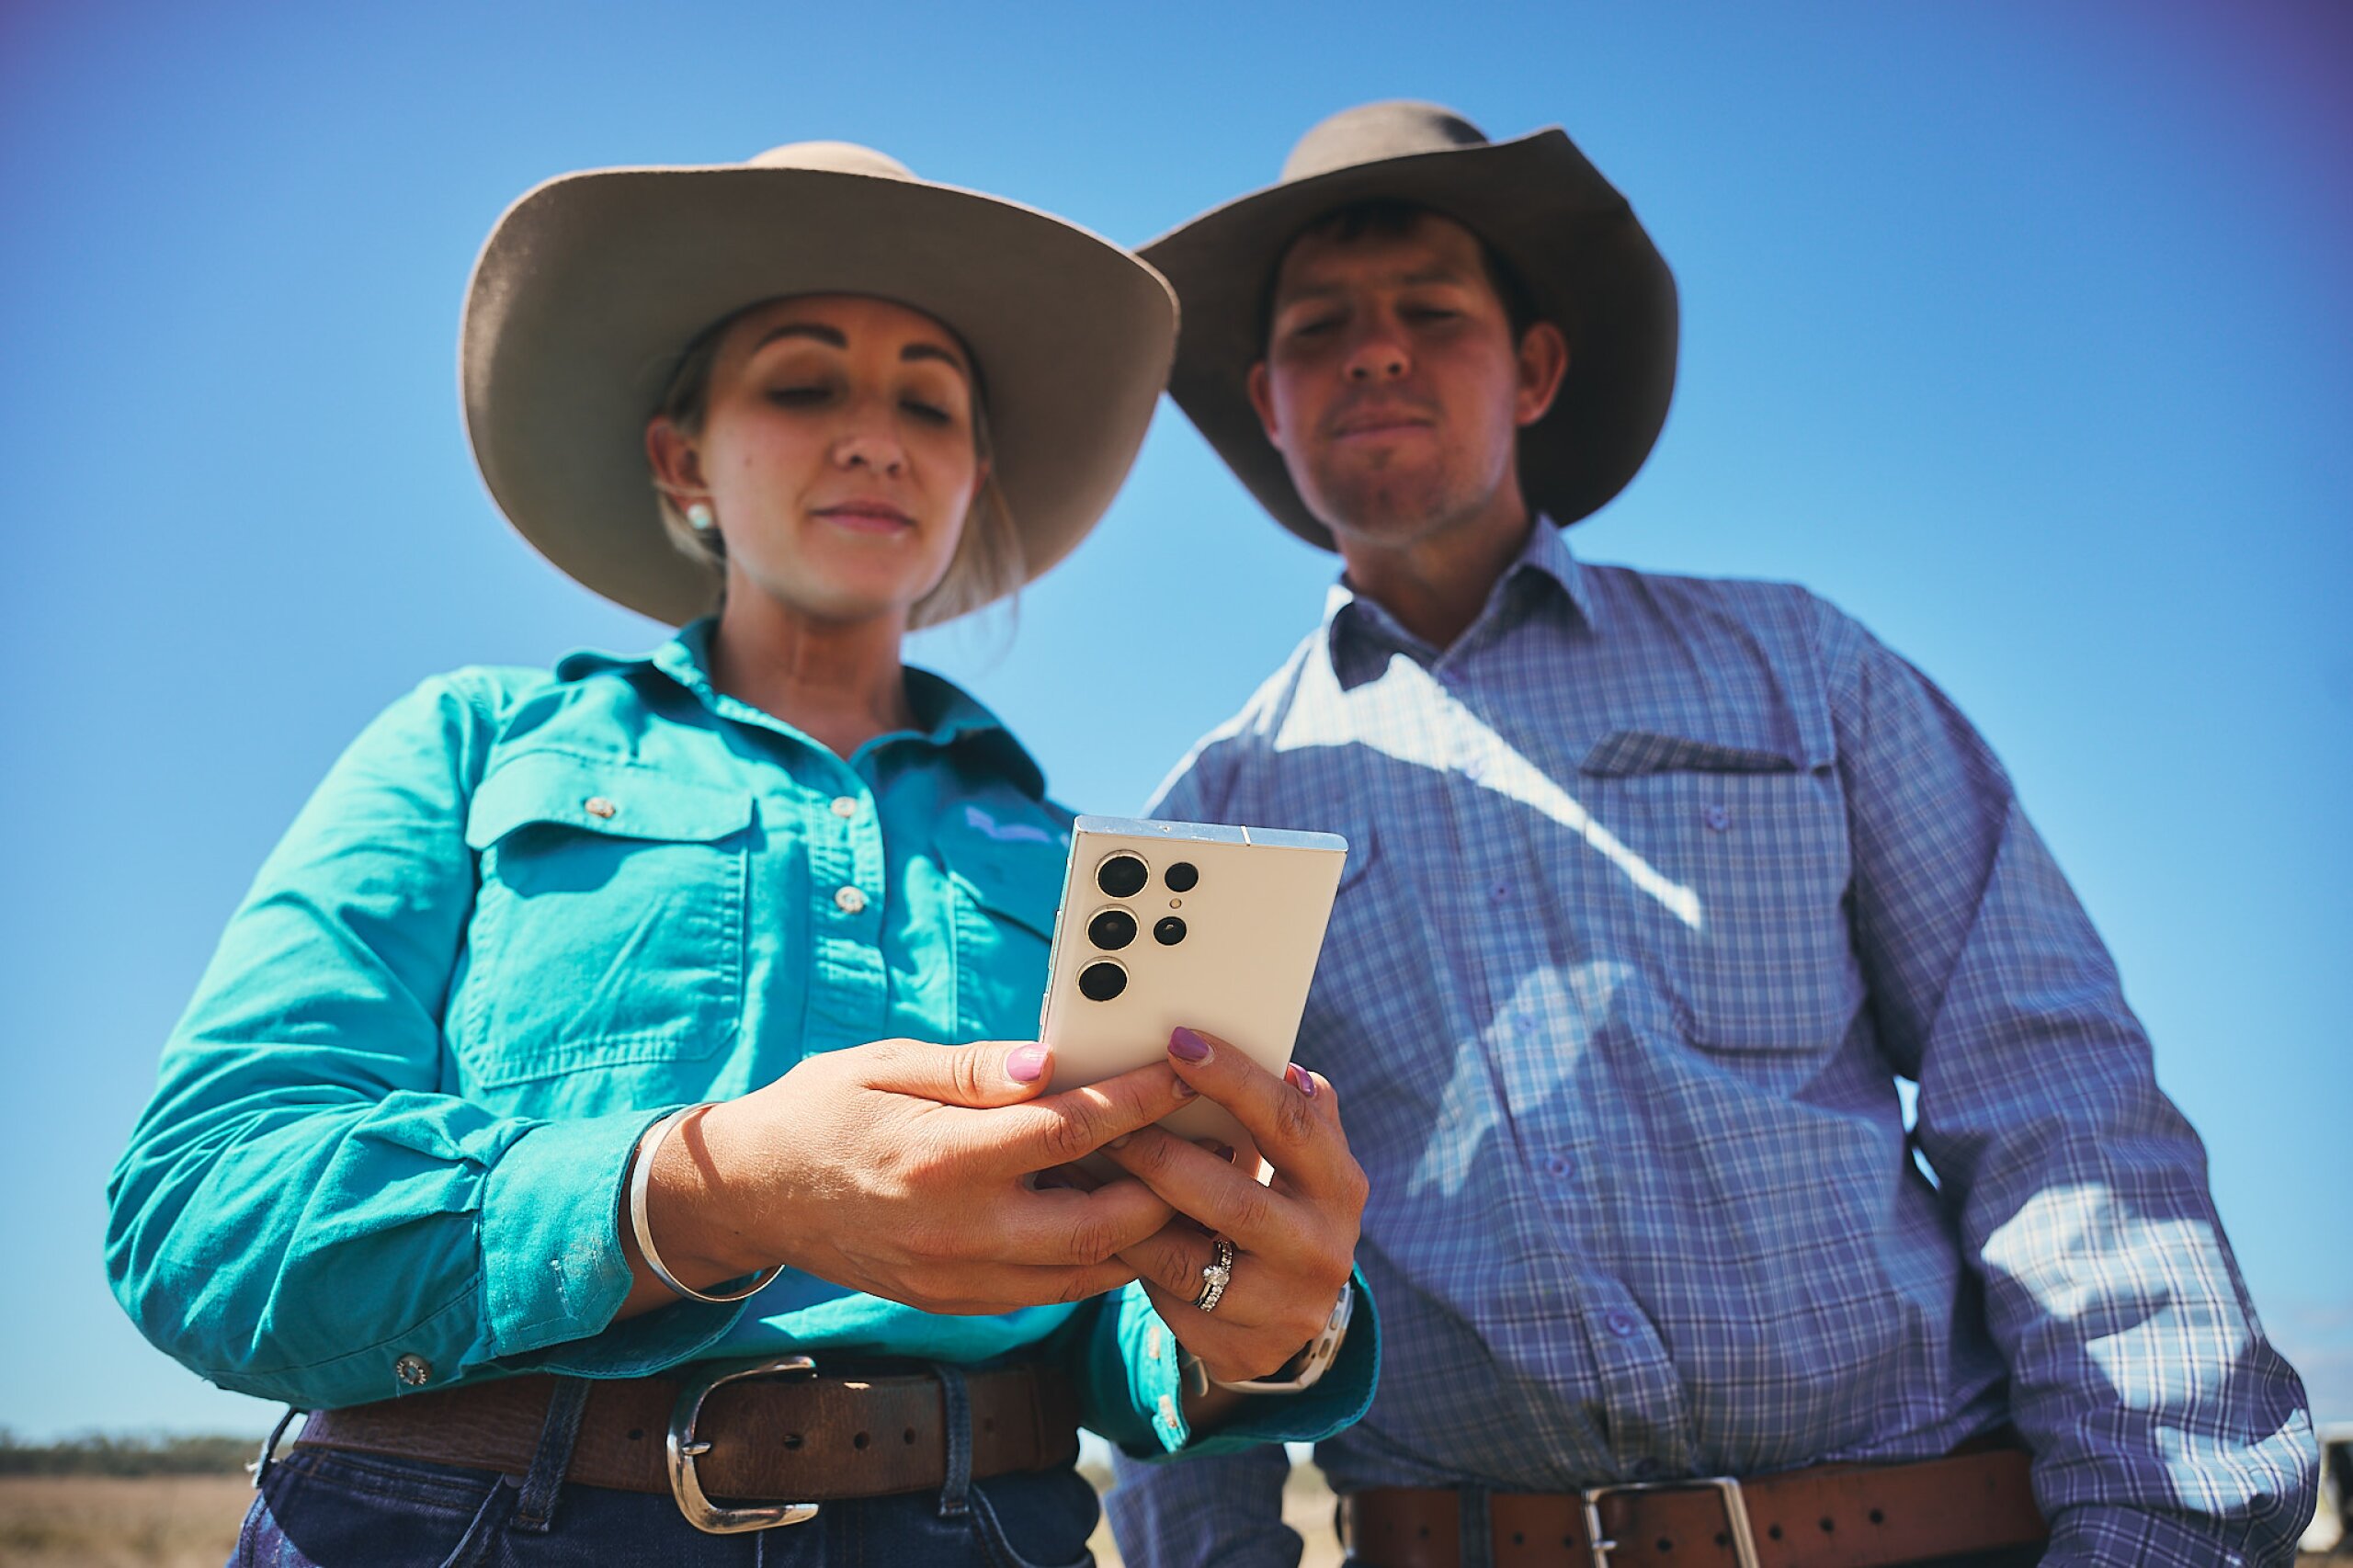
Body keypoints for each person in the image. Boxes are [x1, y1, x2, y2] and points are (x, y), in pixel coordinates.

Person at [105, 140, 1374, 1566]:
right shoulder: (464, 741)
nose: (876, 435)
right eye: (802, 382)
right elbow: (202, 1203)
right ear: (681, 456)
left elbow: (1114, 1323)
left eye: (931, 405)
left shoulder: (1084, 855)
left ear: (969, 476)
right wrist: (702, 1189)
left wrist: (1252, 1323)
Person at [1105, 101, 2317, 1567]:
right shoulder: (1215, 818)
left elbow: (2055, 1098)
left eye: (1433, 309)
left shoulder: (1802, 670)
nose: (1375, 349)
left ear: (1537, 368)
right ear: (1268, 400)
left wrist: (2159, 1529)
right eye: (1320, 330)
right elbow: (1182, 1244)